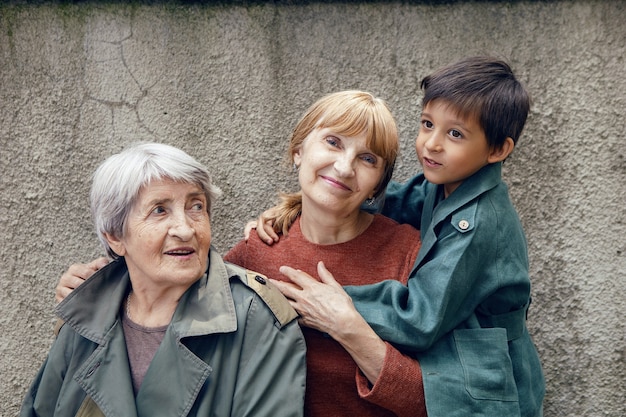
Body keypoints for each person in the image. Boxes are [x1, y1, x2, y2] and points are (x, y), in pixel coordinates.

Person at [54, 91, 428, 417]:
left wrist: (350, 330)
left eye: (368, 159)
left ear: (380, 182)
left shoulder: (410, 253)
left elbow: (441, 402)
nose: (344, 166)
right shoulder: (255, 252)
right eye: (333, 142)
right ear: (298, 151)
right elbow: (162, 304)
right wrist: (93, 295)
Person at [259, 57, 546, 417]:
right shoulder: (444, 186)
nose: (432, 144)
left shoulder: (476, 223)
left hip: (488, 380)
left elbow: (418, 318)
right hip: (460, 354)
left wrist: (335, 301)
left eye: (455, 134)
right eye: (427, 124)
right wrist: (301, 204)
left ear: (498, 150)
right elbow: (385, 198)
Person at [22, 143, 306, 417]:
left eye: (196, 206)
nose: (185, 229)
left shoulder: (256, 316)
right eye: (159, 210)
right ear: (115, 236)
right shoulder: (85, 313)